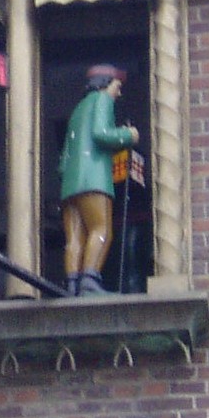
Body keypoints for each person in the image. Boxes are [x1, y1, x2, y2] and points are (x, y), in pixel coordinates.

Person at [59, 64, 139, 296]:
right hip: (93, 178)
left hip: (70, 184)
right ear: (105, 84)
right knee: (101, 229)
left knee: (75, 237)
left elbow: (64, 158)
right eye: (117, 86)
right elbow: (101, 133)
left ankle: (72, 283)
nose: (118, 93)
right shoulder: (103, 100)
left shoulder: (77, 110)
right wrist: (128, 135)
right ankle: (89, 280)